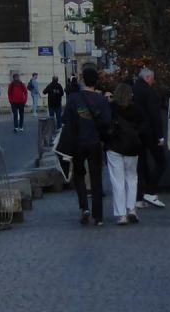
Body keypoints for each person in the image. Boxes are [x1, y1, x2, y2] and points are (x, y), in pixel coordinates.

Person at [62, 66, 111, 226]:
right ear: (96, 81)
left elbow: (66, 122)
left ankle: (84, 208)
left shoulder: (73, 99)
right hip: (95, 142)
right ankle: (99, 216)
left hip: (78, 143)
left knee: (79, 176)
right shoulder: (102, 100)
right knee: (96, 179)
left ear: (83, 80)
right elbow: (107, 122)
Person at [107, 81, 145, 225]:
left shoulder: (111, 107)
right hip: (132, 147)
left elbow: (105, 125)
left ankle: (121, 214)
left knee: (117, 181)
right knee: (132, 178)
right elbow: (142, 127)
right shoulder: (137, 109)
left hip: (115, 146)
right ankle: (132, 209)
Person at [132, 66, 166, 209]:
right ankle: (150, 192)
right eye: (152, 78)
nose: (153, 81)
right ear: (147, 78)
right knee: (161, 162)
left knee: (141, 165)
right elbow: (154, 115)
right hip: (150, 132)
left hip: (136, 132)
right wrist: (160, 136)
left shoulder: (133, 89)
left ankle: (139, 197)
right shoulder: (149, 92)